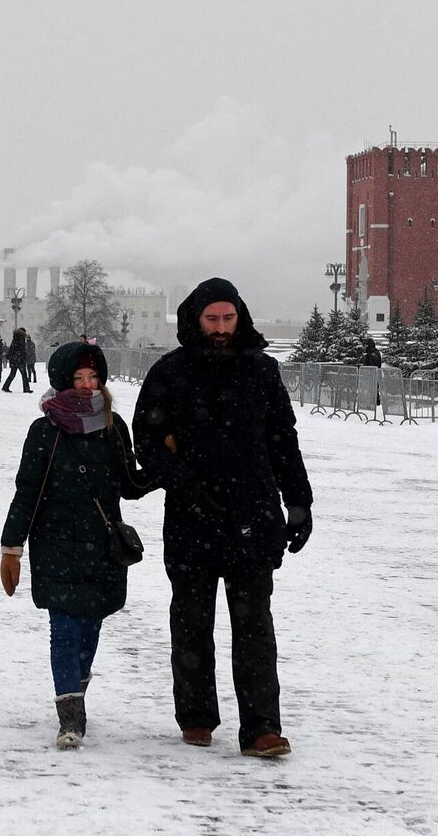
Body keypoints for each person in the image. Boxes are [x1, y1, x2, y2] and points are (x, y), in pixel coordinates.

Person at [132, 278, 313, 759]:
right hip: (192, 518)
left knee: (254, 624)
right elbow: (146, 442)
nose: (219, 328)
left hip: (252, 515)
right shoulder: (169, 373)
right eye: (211, 319)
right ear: (195, 319)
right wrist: (184, 482)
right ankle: (196, 715)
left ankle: (260, 727)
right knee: (191, 620)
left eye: (227, 319)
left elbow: (283, 440)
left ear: (240, 318)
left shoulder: (262, 371)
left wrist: (298, 502)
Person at [0, 342, 150, 749]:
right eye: (78, 379)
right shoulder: (45, 430)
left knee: (90, 627)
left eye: (93, 378)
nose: (86, 386)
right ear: (63, 382)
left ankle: (77, 689)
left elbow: (130, 485)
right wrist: (11, 547)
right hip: (56, 545)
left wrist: (168, 462)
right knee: (64, 629)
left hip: (102, 547)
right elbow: (26, 491)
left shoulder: (113, 426)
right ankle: (70, 716)